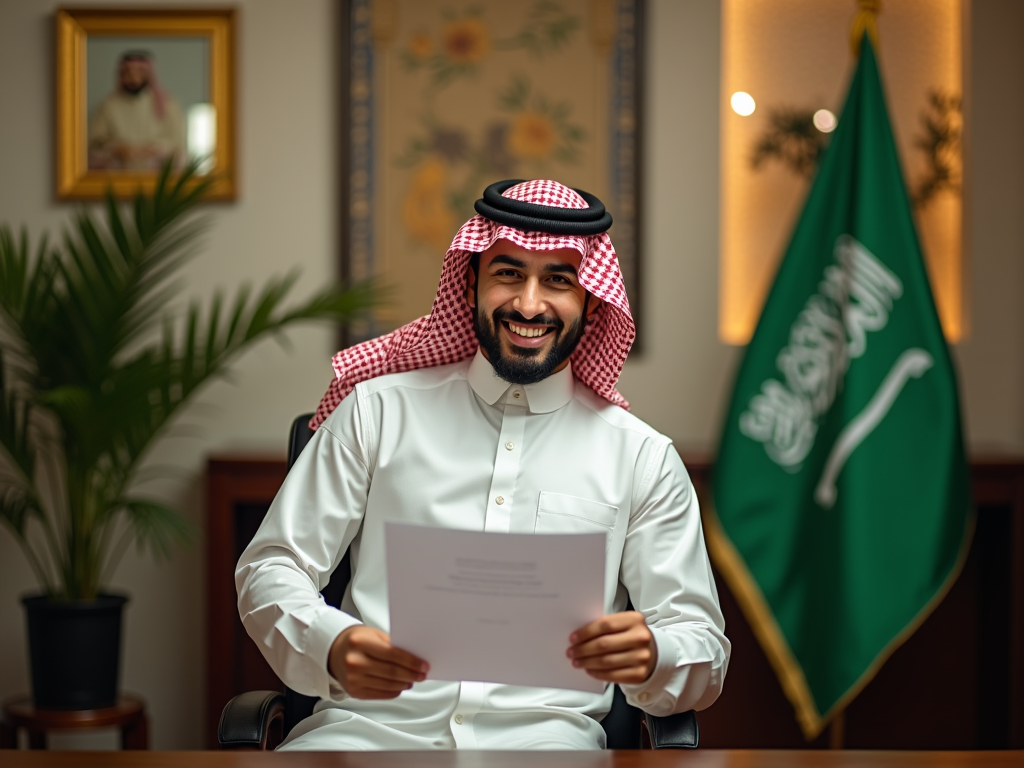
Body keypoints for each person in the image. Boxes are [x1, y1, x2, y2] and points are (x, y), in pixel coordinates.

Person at [236, 179, 730, 750]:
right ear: (471, 281)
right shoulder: (377, 412)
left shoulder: (641, 458)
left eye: (559, 281)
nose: (528, 303)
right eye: (508, 273)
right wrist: (331, 643)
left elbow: (702, 646)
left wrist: (656, 656)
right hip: (364, 739)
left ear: (592, 299)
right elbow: (271, 566)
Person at [88, 51, 186, 171]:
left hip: (155, 175)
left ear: (149, 73)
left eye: (139, 72)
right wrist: (118, 148)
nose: (133, 78)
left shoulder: (168, 104)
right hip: (119, 174)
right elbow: (97, 141)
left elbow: (177, 141)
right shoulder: (108, 105)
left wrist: (151, 149)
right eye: (128, 72)